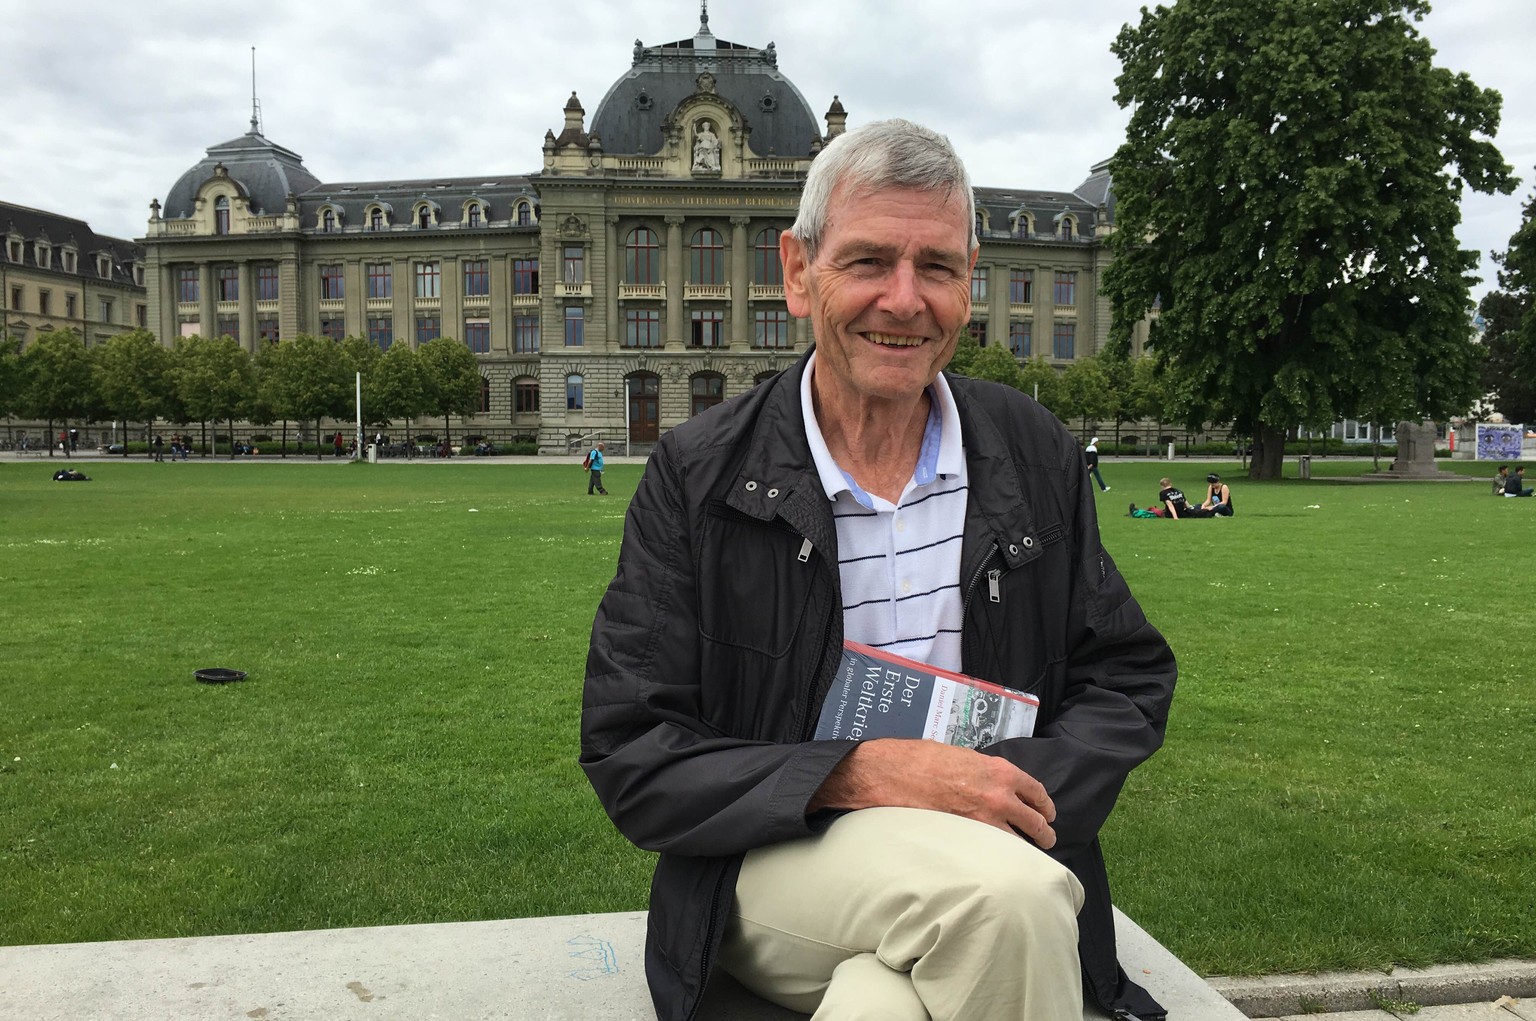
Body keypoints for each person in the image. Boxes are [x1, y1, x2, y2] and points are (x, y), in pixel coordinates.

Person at [581, 119, 1176, 1021]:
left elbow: (1126, 676)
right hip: (777, 861)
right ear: (796, 272)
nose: (905, 300)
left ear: (968, 280)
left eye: (936, 266)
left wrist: (1004, 787)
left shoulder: (1030, 451)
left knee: (889, 998)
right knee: (1007, 902)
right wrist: (857, 774)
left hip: (983, 846)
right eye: (867, 262)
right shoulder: (700, 473)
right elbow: (633, 750)